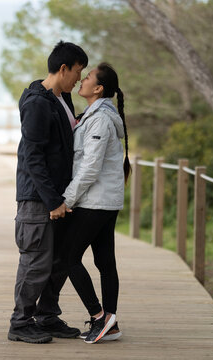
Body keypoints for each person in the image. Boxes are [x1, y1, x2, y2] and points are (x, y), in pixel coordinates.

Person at [8, 41, 88, 344]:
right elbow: (33, 157)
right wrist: (52, 200)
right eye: (78, 72)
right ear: (63, 68)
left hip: (58, 196)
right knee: (36, 262)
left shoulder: (60, 97)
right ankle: (20, 322)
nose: (79, 79)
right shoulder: (37, 104)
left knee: (58, 261)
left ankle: (47, 317)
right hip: (37, 198)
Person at [62, 63, 131, 344]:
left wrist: (67, 199)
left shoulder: (100, 119)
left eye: (87, 77)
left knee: (67, 257)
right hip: (103, 200)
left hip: (96, 200)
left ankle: (100, 315)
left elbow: (90, 166)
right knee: (104, 261)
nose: (82, 79)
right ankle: (110, 323)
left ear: (99, 88)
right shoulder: (95, 115)